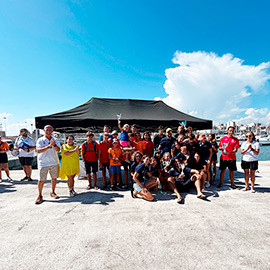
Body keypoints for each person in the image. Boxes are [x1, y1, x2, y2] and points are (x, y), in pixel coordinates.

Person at [35, 125, 61, 204]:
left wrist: (54, 145)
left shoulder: (55, 139)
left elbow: (58, 150)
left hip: (53, 162)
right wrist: (49, 146)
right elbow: (39, 150)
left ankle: (53, 192)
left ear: (52, 131)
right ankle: (40, 195)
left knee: (54, 178)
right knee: (41, 180)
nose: (49, 131)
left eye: (50, 130)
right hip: (43, 163)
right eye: (47, 130)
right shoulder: (40, 140)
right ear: (44, 130)